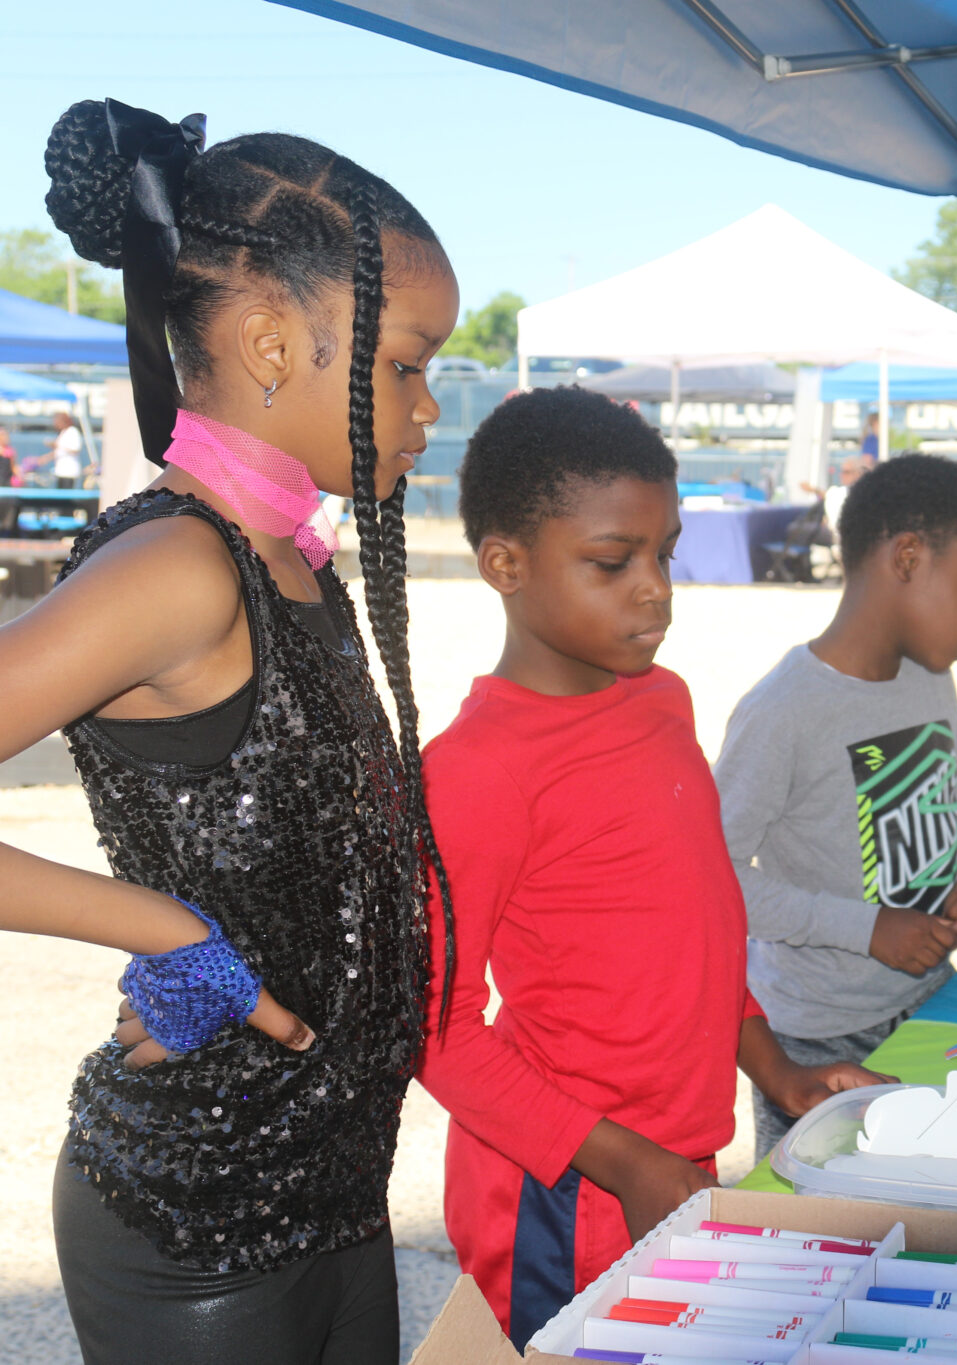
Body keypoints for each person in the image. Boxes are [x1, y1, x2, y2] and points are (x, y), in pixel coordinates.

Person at [29, 100, 459, 1364]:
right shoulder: (178, 566)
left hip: (337, 1189)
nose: (429, 407)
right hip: (198, 1218)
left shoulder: (290, 558)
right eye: (405, 365)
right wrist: (162, 930)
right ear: (272, 342)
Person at [416, 385, 890, 1344]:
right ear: (505, 564)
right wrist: (623, 1161)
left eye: (665, 552)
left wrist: (777, 1069)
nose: (655, 588)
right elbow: (435, 1031)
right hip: (565, 1188)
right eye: (612, 561)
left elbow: (694, 928)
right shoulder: (476, 769)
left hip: (673, 1161)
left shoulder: (661, 700)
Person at [716, 453, 957, 1159]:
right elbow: (714, 880)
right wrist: (865, 928)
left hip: (932, 1003)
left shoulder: (927, 677)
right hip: (818, 1040)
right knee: (826, 1209)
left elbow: (956, 802)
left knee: (932, 1185)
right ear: (907, 558)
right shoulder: (783, 710)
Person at [48, 410, 84, 488]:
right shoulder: (63, 432)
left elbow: (75, 449)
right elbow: (58, 451)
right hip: (60, 471)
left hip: (69, 472)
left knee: (67, 492)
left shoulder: (73, 432)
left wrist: (58, 445)